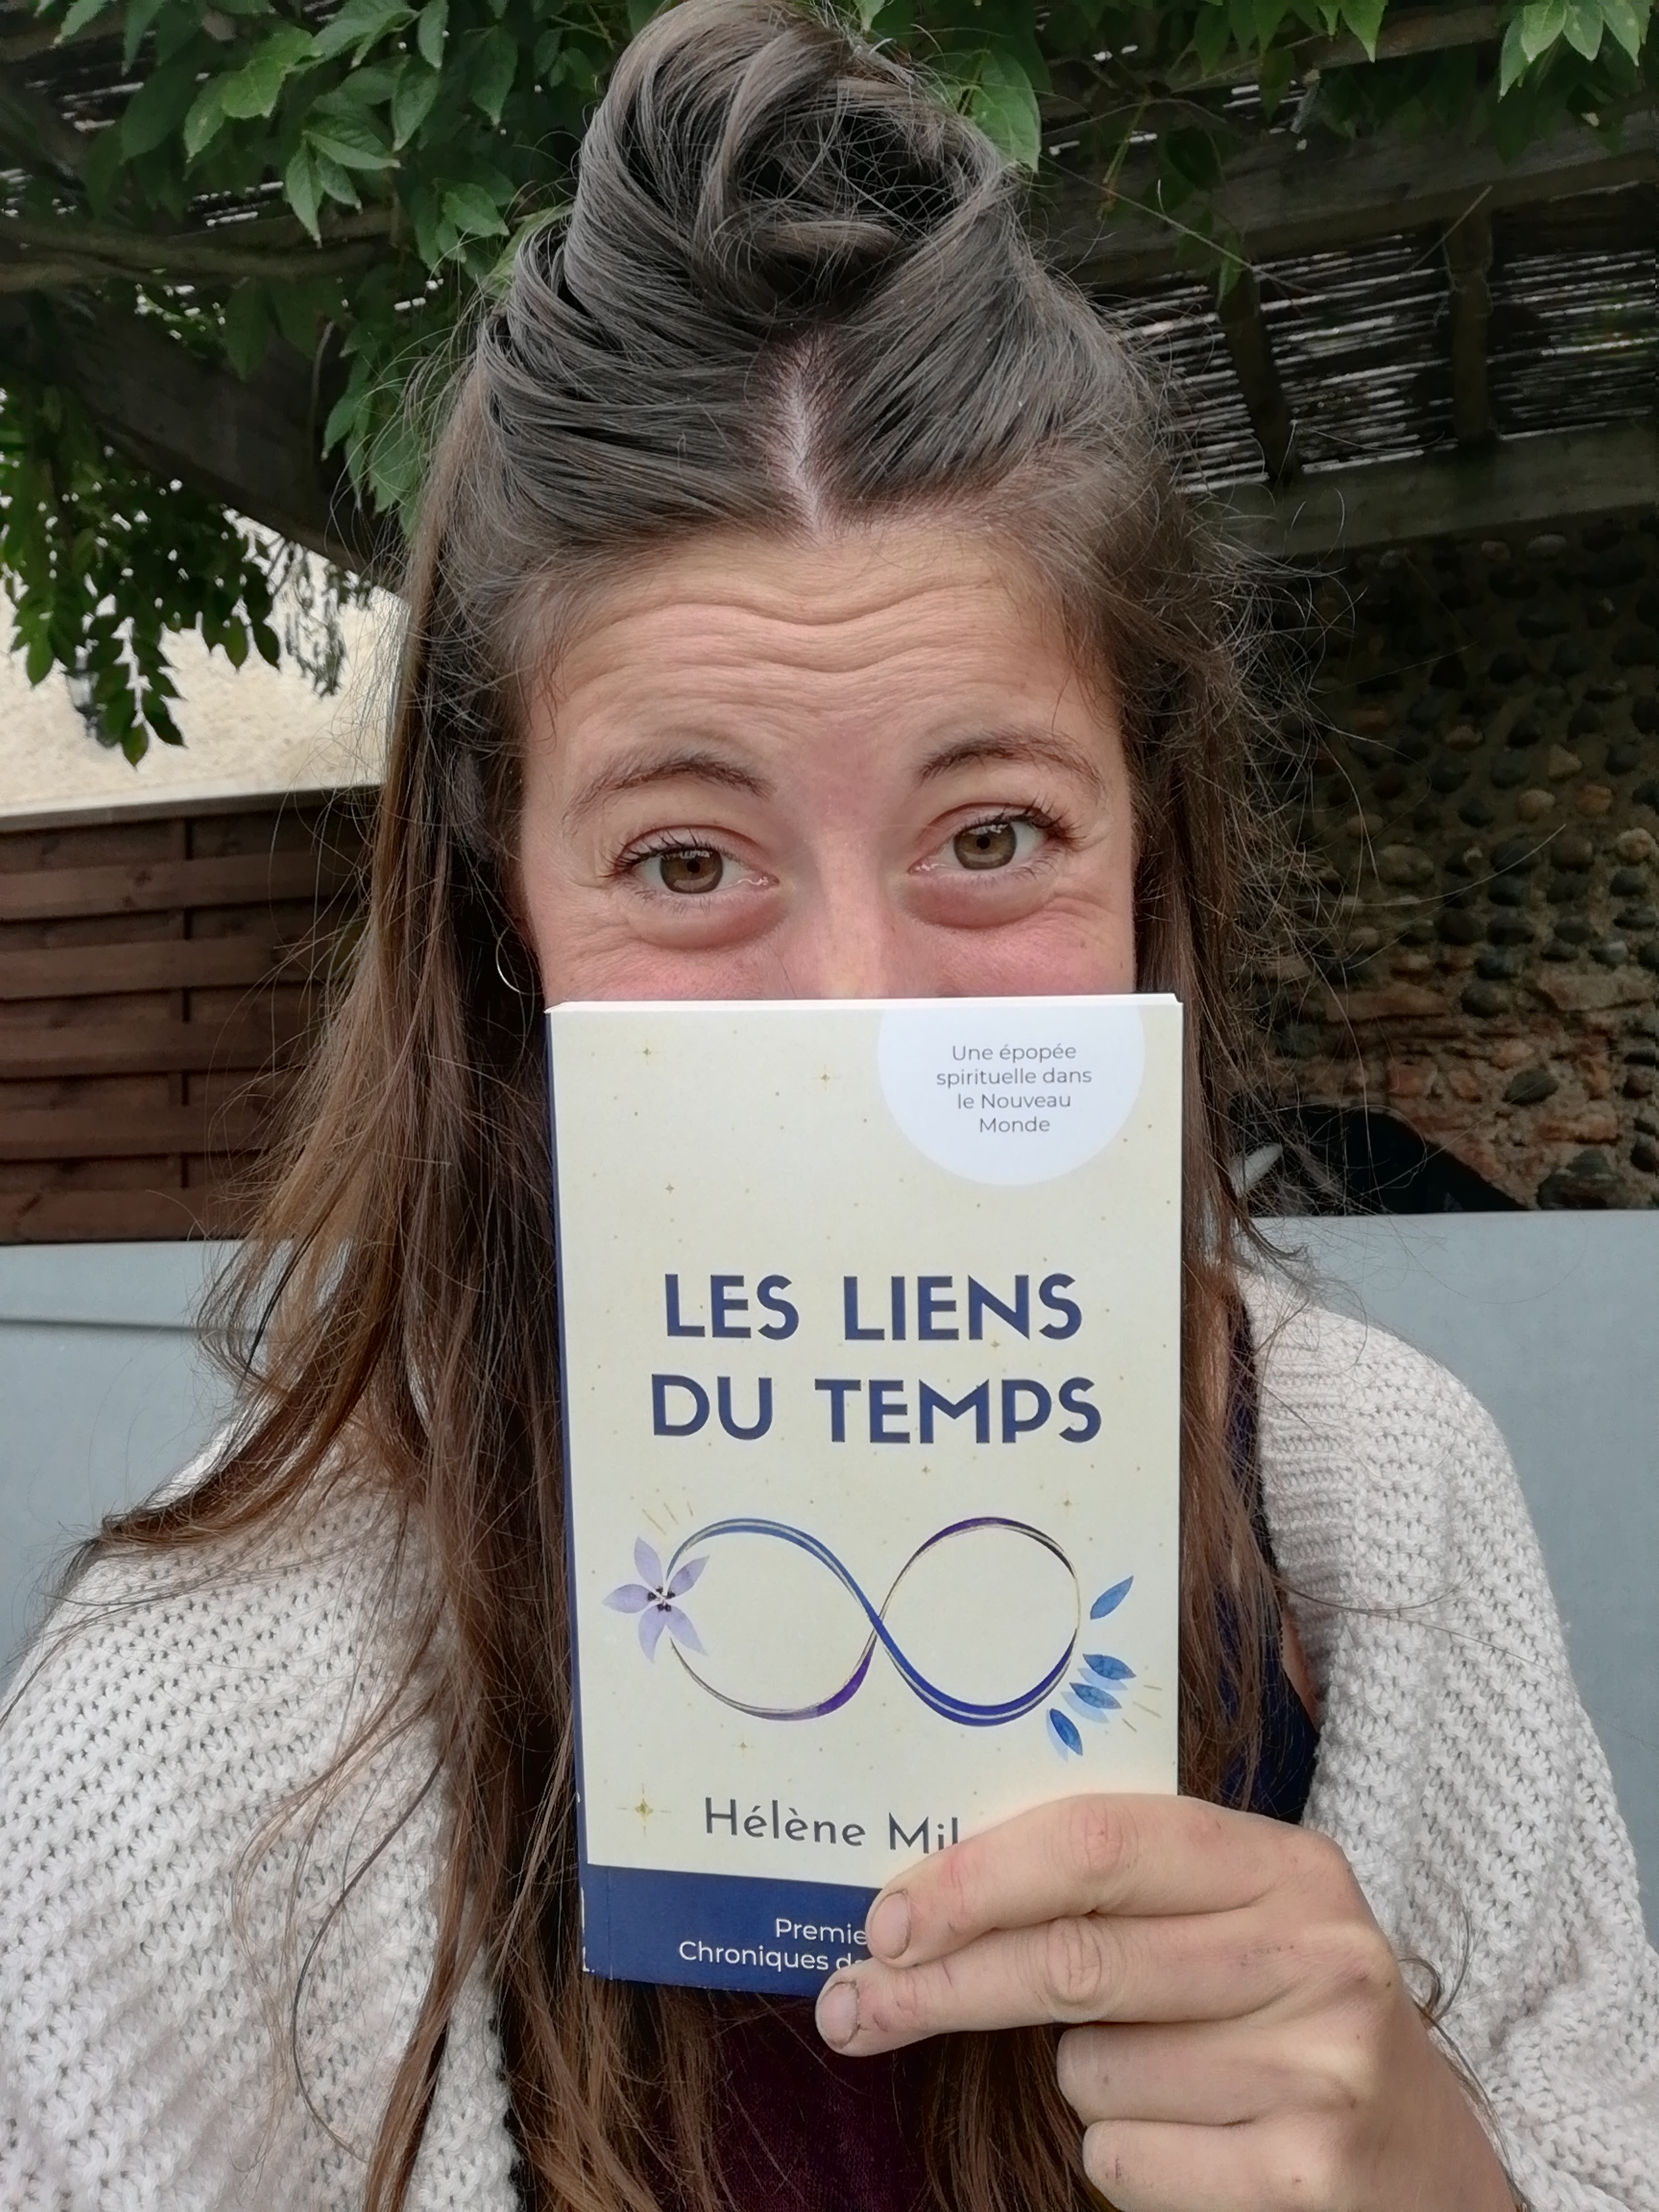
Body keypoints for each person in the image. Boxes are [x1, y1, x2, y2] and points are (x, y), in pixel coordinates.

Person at [1, 3, 1655, 2207]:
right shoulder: (182, 1721)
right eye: (688, 861)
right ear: (501, 916)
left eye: (992, 836)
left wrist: (1456, 2181)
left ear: (1147, 860)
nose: (856, 1013)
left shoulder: (1388, 1509)